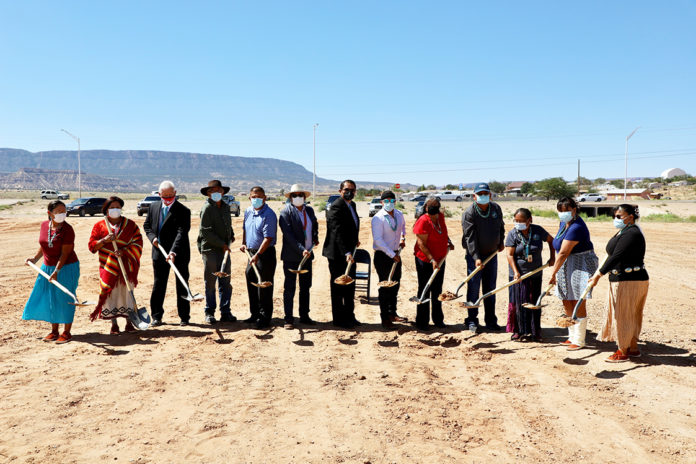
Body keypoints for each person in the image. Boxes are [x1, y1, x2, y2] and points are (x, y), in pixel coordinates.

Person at [589, 204, 649, 362]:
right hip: (625, 279)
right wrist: (599, 271)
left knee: (624, 315)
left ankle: (623, 350)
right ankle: (633, 348)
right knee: (629, 313)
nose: (616, 219)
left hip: (629, 280)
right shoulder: (624, 231)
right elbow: (610, 254)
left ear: (630, 217)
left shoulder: (632, 233)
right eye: (614, 216)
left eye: (619, 216)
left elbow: (617, 256)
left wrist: (598, 275)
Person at [22, 200, 80, 344]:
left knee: (64, 298)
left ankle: (67, 332)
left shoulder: (68, 229)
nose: (62, 214)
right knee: (50, 299)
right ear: (50, 213)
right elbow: (44, 245)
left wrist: (57, 271)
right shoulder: (44, 225)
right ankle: (54, 331)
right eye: (59, 211)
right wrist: (35, 259)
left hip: (66, 267)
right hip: (47, 267)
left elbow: (65, 254)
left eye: (64, 211)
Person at [548, 197, 598, 350]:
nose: (563, 214)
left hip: (580, 263)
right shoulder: (564, 223)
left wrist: (552, 273)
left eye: (567, 211)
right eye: (560, 211)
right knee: (566, 298)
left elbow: (563, 252)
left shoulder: (577, 227)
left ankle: (579, 340)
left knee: (577, 299)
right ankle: (571, 336)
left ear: (574, 210)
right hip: (565, 264)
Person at [88, 196, 143, 335]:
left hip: (126, 266)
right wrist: (104, 240)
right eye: (112, 207)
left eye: (118, 207)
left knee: (127, 293)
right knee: (110, 292)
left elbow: (138, 243)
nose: (115, 210)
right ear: (106, 210)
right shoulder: (99, 226)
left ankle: (129, 322)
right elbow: (92, 246)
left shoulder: (130, 225)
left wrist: (124, 252)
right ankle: (114, 324)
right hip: (107, 266)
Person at [143, 180, 191, 326]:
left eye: (171, 196)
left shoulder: (184, 210)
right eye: (165, 196)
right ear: (159, 195)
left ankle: (184, 317)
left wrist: (173, 252)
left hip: (179, 253)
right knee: (159, 284)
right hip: (159, 253)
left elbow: (181, 233)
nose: (168, 198)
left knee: (182, 284)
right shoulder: (153, 207)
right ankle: (157, 316)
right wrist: (153, 239)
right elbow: (147, 226)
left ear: (175, 194)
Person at [504, 208, 555, 342]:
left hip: (535, 273)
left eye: (521, 221)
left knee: (534, 302)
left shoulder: (538, 230)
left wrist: (552, 257)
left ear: (529, 220)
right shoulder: (512, 234)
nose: (518, 223)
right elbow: (509, 255)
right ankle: (518, 331)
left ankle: (534, 331)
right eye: (516, 221)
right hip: (518, 275)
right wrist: (516, 272)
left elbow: (551, 241)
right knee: (518, 302)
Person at [461, 182, 505, 332]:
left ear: (490, 195)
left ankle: (491, 320)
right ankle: (472, 320)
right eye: (480, 194)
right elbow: (469, 238)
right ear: (474, 197)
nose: (483, 196)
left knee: (490, 289)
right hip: (475, 257)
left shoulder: (496, 208)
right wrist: (476, 257)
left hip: (492, 255)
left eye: (485, 194)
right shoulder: (469, 213)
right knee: (474, 288)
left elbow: (501, 226)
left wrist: (501, 241)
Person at [279, 184, 319, 329]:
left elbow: (314, 225)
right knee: (289, 288)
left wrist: (315, 237)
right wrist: (301, 249)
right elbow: (288, 236)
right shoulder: (285, 213)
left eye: (300, 195)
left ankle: (304, 315)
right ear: (290, 198)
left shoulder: (309, 210)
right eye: (294, 195)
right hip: (292, 256)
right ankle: (288, 318)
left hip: (307, 255)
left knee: (305, 287)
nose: (297, 198)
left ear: (304, 197)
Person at [323, 180, 361, 328]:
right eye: (346, 189)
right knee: (338, 286)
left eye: (352, 190)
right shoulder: (335, 207)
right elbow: (336, 232)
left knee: (350, 285)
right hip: (338, 254)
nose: (349, 192)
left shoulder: (352, 205)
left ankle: (350, 316)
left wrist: (355, 240)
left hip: (350, 251)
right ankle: (339, 319)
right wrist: (346, 251)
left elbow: (352, 226)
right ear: (340, 191)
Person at [413, 197, 454, 331]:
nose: (433, 212)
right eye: (430, 209)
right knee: (425, 289)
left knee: (437, 289)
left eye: (435, 209)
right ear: (426, 208)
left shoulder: (440, 216)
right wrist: (431, 259)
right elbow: (421, 244)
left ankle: (438, 319)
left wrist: (448, 242)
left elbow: (443, 232)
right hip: (425, 260)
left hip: (440, 258)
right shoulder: (423, 221)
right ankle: (422, 322)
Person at [197, 180, 235, 324]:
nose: (216, 193)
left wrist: (230, 235)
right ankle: (209, 312)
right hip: (210, 250)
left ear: (223, 192)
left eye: (218, 190)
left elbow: (228, 224)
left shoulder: (225, 207)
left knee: (225, 281)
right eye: (212, 191)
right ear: (208, 193)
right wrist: (222, 244)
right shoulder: (207, 208)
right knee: (211, 282)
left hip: (224, 249)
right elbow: (205, 232)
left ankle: (226, 312)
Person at [241, 186, 278, 329]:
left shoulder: (269, 214)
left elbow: (268, 238)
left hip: (265, 254)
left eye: (259, 197)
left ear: (265, 197)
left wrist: (258, 255)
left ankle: (264, 317)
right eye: (253, 197)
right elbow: (245, 229)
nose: (256, 199)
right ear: (249, 198)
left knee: (264, 285)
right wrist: (244, 243)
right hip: (250, 252)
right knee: (251, 279)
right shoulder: (248, 211)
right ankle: (254, 313)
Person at [371, 190, 407, 328]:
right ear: (381, 202)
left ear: (395, 202)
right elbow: (378, 240)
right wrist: (392, 255)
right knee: (385, 286)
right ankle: (384, 317)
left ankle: (393, 313)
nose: (389, 203)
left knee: (395, 284)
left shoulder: (399, 214)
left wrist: (403, 238)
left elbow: (403, 228)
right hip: (383, 256)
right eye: (386, 201)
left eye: (392, 201)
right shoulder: (378, 218)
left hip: (396, 254)